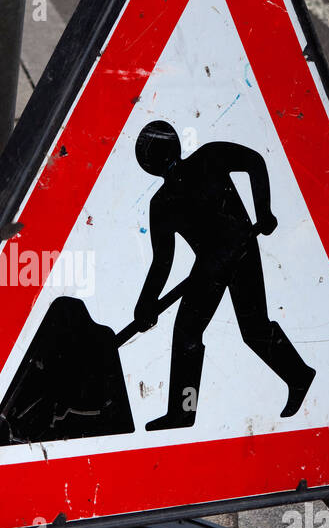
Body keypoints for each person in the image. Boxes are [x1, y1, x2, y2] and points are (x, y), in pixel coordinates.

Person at [134, 120, 316, 431]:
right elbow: (162, 260)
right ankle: (183, 411)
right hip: (209, 266)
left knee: (252, 329)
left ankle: (299, 376)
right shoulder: (161, 202)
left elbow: (254, 162)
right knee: (190, 333)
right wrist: (146, 304)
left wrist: (264, 211)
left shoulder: (208, 158)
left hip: (241, 249)